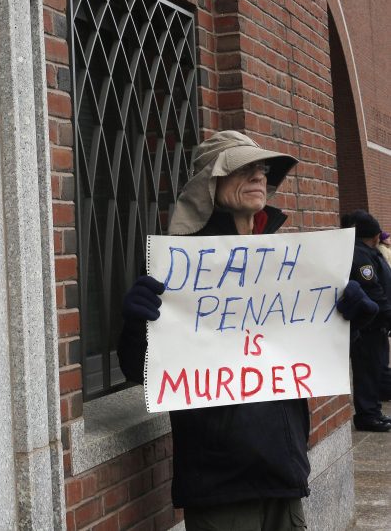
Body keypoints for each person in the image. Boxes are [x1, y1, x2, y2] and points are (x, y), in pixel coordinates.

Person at [118, 130, 377, 530]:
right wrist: (137, 323)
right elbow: (141, 369)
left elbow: (304, 355)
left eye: (262, 168)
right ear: (210, 182)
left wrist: (349, 324)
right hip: (219, 481)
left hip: (283, 470)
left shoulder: (287, 262)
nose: (259, 175)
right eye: (243, 167)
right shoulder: (176, 265)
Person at [344, 210, 391, 427]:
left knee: (378, 367)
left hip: (378, 324)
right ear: (373, 235)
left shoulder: (368, 253)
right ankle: (368, 416)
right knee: (368, 371)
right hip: (369, 326)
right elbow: (373, 291)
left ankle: (374, 411)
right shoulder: (361, 256)